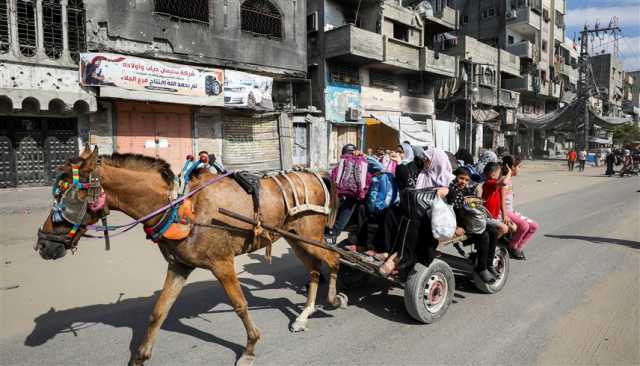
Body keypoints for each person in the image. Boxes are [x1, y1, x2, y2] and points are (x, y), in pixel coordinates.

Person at [379, 147, 453, 276]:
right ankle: (389, 251)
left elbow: (452, 199)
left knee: (411, 222)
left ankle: (398, 258)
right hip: (416, 212)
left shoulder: (449, 180)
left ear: (437, 161)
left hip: (435, 219)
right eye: (425, 159)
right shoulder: (422, 174)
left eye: (428, 160)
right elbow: (407, 183)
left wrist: (445, 192)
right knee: (392, 213)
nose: (425, 162)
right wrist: (400, 163)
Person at [446, 167, 499, 283]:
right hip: (457, 224)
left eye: (466, 180)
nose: (463, 182)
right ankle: (482, 268)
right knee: (484, 236)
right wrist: (455, 227)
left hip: (468, 222)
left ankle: (489, 264)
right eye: (461, 178)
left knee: (493, 231)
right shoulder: (451, 191)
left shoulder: (465, 191)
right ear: (455, 177)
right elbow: (448, 211)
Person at [326, 144, 370, 245]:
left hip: (341, 196)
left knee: (344, 206)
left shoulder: (339, 165)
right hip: (354, 196)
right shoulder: (363, 163)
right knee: (349, 206)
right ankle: (334, 234)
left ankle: (331, 233)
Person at [502, 156, 539, 259]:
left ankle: (519, 248)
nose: (519, 169)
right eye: (518, 166)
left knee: (534, 226)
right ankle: (512, 247)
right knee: (524, 226)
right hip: (505, 213)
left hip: (511, 212)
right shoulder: (504, 181)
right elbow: (501, 202)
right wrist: (505, 215)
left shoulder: (509, 180)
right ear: (512, 167)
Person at [481, 162, 510, 238]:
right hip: (487, 217)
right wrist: (509, 172)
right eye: (499, 172)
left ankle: (493, 241)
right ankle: (493, 242)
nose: (500, 174)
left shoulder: (493, 183)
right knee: (504, 228)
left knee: (509, 226)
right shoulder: (488, 183)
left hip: (493, 216)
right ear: (493, 174)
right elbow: (504, 182)